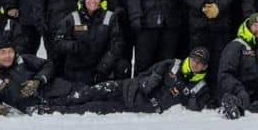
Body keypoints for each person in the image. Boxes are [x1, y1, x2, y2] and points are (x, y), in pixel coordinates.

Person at [52, 47, 212, 115]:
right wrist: (149, 81)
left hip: (133, 106)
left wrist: (190, 99)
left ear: (204, 67)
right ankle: (54, 103)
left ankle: (55, 111)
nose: (195, 64)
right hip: (126, 87)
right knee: (89, 92)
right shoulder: (171, 64)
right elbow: (144, 74)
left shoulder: (199, 87)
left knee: (90, 108)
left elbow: (200, 107)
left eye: (199, 63)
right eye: (193, 60)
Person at [48, 0, 128, 90]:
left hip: (101, 65)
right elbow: (58, 42)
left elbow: (117, 44)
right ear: (84, 0)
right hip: (79, 65)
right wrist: (75, 46)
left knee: (122, 65)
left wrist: (104, 65)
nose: (93, 1)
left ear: (101, 1)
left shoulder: (110, 17)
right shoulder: (72, 18)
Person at [0, 40, 56, 116]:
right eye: (3, 53)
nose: (7, 56)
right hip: (39, 108)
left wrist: (38, 80)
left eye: (10, 51)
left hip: (56, 91)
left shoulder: (23, 60)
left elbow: (49, 64)